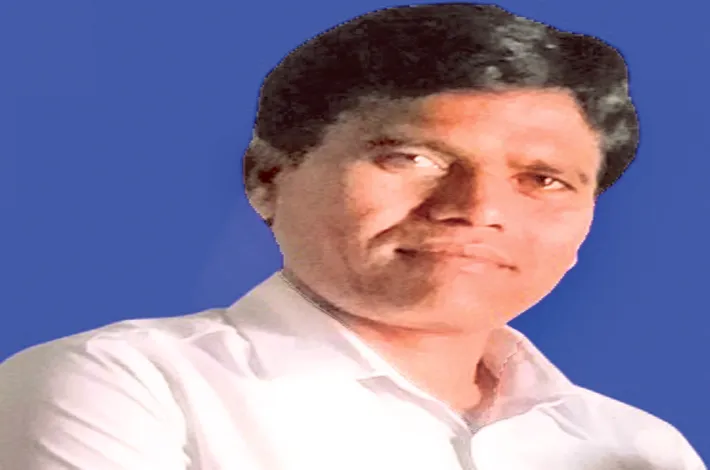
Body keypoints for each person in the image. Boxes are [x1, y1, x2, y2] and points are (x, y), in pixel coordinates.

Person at [0, 3, 704, 469]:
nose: (476, 208)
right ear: (268, 177)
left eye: (543, 180)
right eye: (413, 158)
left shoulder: (637, 446)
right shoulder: (128, 386)